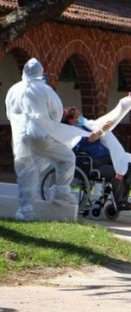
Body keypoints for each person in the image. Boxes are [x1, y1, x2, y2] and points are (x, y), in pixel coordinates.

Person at [5, 58, 78, 220]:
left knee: (26, 175)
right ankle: (60, 193)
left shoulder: (12, 90)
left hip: (20, 139)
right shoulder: (45, 90)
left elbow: (9, 114)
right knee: (67, 159)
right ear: (40, 72)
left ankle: (25, 211)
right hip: (41, 136)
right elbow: (57, 114)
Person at [62, 107, 131, 211]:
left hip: (103, 157)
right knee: (117, 172)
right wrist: (103, 129)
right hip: (92, 163)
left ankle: (123, 198)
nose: (81, 117)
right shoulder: (72, 132)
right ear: (70, 120)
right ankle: (120, 201)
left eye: (80, 115)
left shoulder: (85, 126)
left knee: (126, 165)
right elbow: (91, 138)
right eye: (77, 116)